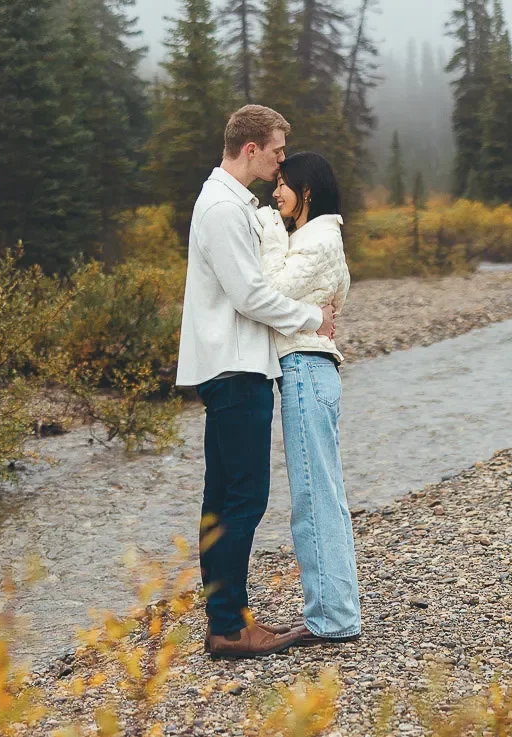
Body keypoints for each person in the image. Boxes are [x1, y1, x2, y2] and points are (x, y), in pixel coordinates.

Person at [175, 104, 338, 660]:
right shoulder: (221, 208)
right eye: (276, 150)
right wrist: (313, 318)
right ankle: (231, 628)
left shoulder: (227, 203)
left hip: (229, 365)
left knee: (222, 499)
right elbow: (249, 295)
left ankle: (226, 621)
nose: (281, 160)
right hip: (236, 366)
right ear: (251, 149)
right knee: (244, 497)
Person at [256, 152, 362, 646]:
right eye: (275, 183)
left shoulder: (317, 237)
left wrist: (268, 231)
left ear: (308, 190)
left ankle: (332, 619)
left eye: (283, 184)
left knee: (314, 498)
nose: (275, 194)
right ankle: (336, 611)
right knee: (325, 494)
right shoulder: (320, 238)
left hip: (304, 369)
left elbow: (269, 290)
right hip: (312, 371)